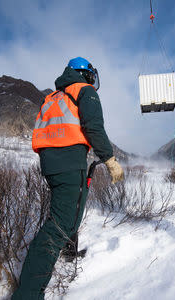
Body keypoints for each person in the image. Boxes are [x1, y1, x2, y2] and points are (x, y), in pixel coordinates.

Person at [12, 57, 124, 299]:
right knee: (59, 226)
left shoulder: (53, 97)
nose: (93, 80)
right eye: (91, 75)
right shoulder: (85, 91)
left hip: (51, 165)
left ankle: (68, 252)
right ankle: (27, 294)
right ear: (85, 74)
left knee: (67, 217)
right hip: (70, 163)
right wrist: (110, 159)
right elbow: (94, 127)